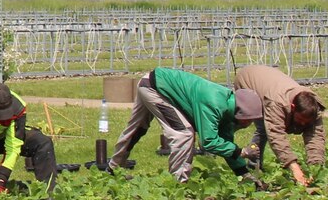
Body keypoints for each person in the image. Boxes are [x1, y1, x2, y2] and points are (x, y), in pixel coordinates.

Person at [107, 68, 263, 182]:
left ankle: (112, 168)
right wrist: (242, 152)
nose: (249, 124)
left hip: (152, 81)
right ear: (240, 112)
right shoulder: (214, 104)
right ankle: (177, 182)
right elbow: (208, 142)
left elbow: (225, 143)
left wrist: (244, 174)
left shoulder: (228, 108)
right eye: (248, 120)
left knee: (137, 128)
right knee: (184, 133)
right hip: (155, 88)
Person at [233, 65, 325, 187]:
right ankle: (214, 143)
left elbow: (315, 137)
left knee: (264, 128)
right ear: (292, 107)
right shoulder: (276, 102)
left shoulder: (314, 107)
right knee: (254, 125)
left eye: (306, 122)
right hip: (248, 80)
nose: (303, 124)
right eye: (300, 119)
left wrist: (316, 168)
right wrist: (294, 168)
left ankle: (253, 164)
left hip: (268, 81)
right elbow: (276, 135)